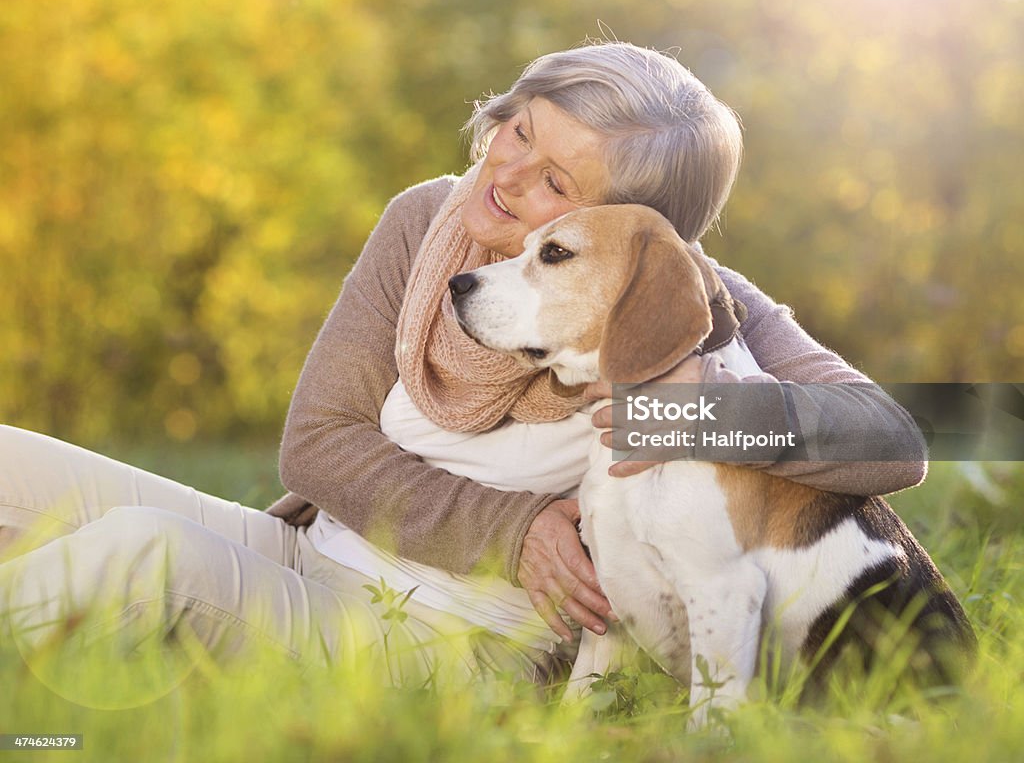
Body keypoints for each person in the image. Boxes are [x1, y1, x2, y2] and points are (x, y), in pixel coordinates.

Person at [0, 41, 927, 689]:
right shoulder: (424, 220)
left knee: (140, 554)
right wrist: (512, 528)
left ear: (628, 232)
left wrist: (702, 411)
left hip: (447, 642)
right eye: (520, 130)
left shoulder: (680, 299)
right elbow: (317, 446)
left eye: (559, 185)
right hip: (307, 548)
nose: (506, 174)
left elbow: (898, 441)